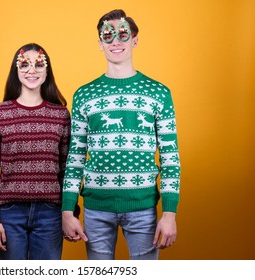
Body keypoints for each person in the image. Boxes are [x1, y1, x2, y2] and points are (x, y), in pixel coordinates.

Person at [61, 9, 181, 260]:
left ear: (135, 40)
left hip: (143, 208)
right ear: (100, 43)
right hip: (96, 209)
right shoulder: (84, 94)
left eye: (123, 34)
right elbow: (75, 157)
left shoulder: (158, 92)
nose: (115, 41)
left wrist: (169, 213)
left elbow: (170, 157)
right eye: (108, 35)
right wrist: (67, 211)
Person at [0, 43, 71, 260]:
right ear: (15, 70)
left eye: (39, 64)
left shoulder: (61, 115)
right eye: (24, 65)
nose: (32, 70)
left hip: (50, 213)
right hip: (9, 213)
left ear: (47, 71)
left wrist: (69, 211)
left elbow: (68, 168)